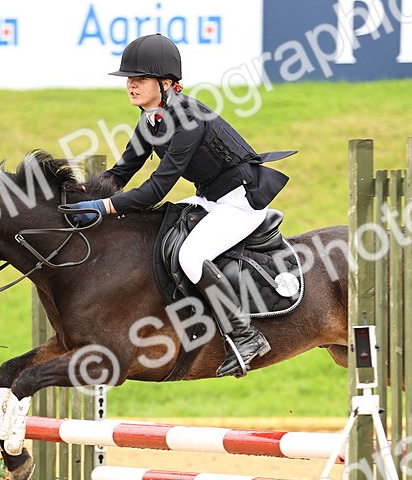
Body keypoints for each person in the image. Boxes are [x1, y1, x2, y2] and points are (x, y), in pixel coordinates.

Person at [60, 34, 294, 378]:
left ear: (167, 83)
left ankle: (245, 336)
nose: (131, 85)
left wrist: (105, 207)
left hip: (240, 199)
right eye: (129, 79)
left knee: (191, 256)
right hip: (210, 197)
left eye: (139, 78)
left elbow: (157, 188)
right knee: (158, 232)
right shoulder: (150, 118)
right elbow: (121, 172)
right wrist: (80, 195)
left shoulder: (186, 118)